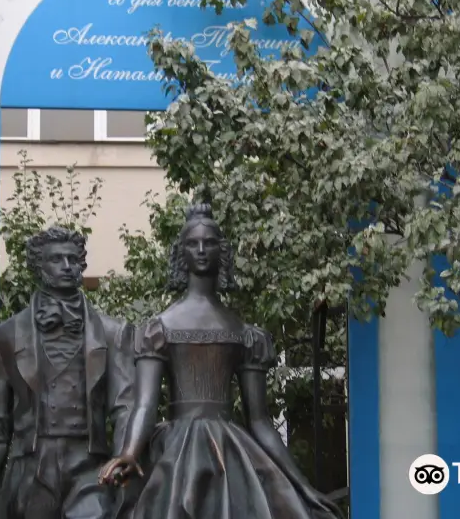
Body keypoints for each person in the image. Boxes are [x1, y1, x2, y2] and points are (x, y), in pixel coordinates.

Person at [98, 204, 344, 519]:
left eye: (210, 242)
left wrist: (303, 485)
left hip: (230, 456)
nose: (201, 250)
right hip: (175, 455)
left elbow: (259, 420)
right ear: (181, 252)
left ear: (221, 251)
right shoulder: (159, 329)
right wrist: (130, 454)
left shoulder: (245, 335)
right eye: (192, 243)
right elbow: (145, 404)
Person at [0, 226, 135, 519]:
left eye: (73, 259)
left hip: (91, 471)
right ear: (39, 266)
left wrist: (124, 464)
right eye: (56, 259)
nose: (67, 266)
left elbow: (125, 406)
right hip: (30, 473)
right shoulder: (5, 337)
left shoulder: (114, 333)